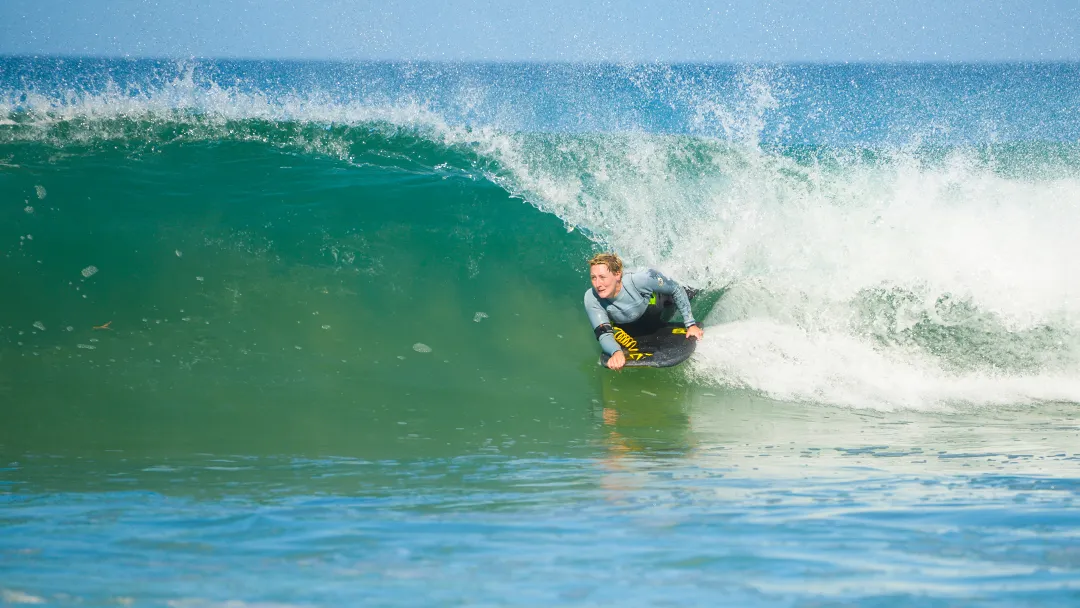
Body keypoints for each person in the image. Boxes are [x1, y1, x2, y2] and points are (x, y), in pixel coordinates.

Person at [584, 252, 703, 370]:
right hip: (630, 326)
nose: (598, 284)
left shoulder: (640, 280)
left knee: (691, 289)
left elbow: (676, 289)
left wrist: (690, 324)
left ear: (617, 274)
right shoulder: (592, 298)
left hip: (660, 306)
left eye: (602, 277)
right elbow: (603, 333)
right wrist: (615, 351)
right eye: (593, 278)